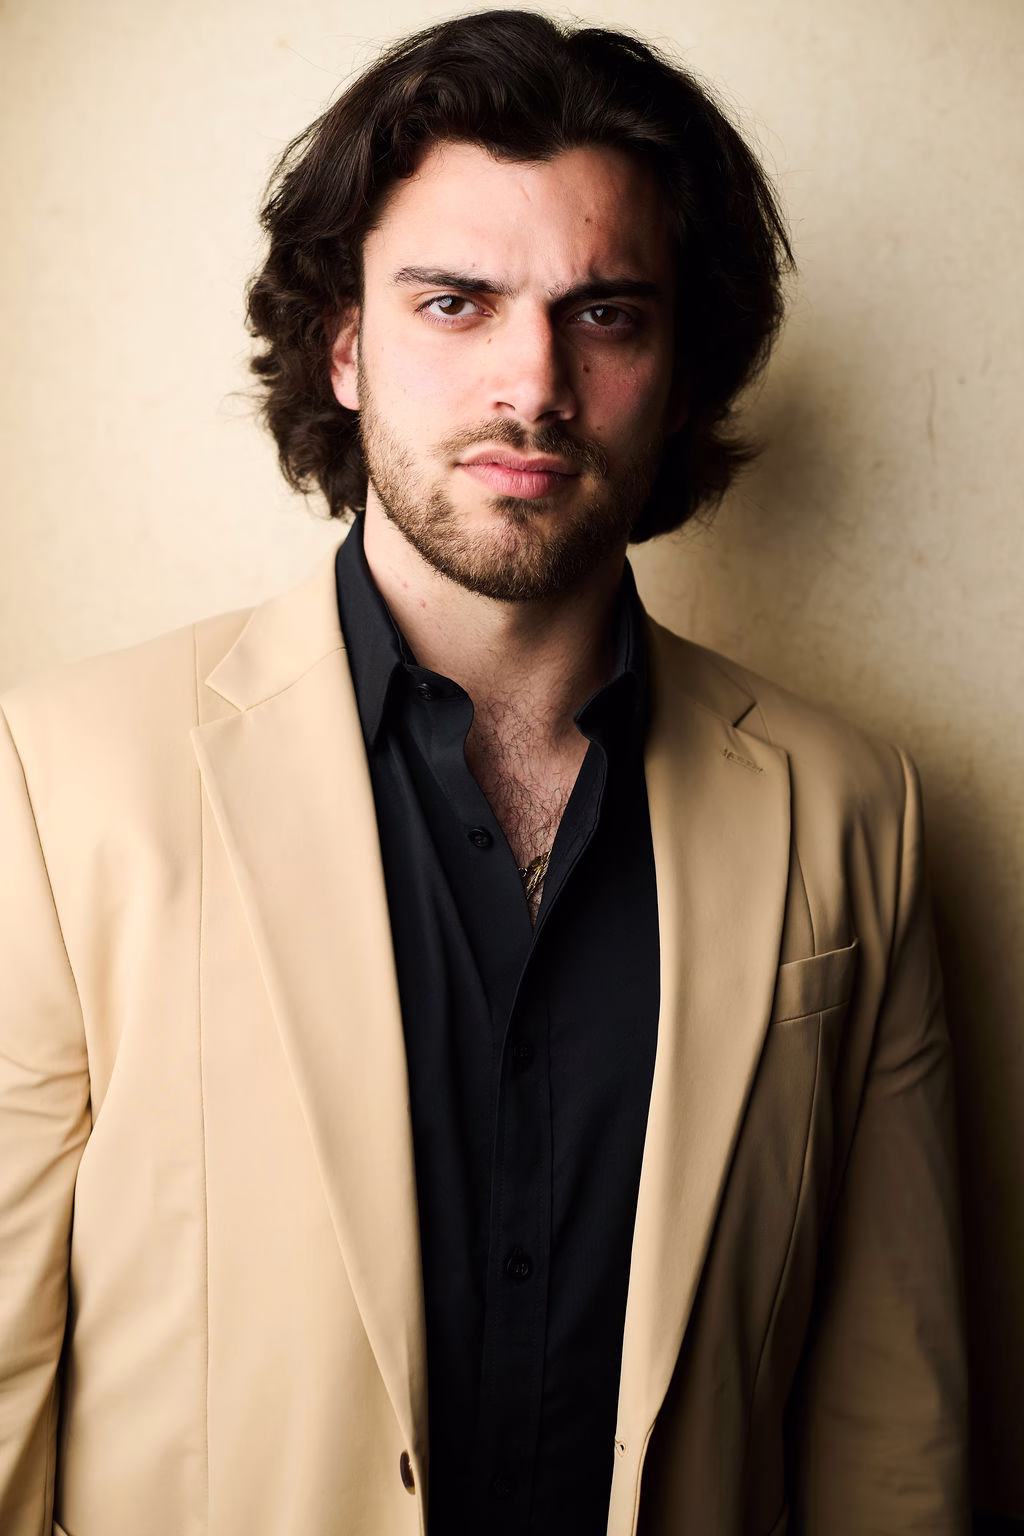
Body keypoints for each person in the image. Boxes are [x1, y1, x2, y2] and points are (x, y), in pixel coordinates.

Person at [0, 11, 969, 1536]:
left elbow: (891, 1440)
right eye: (455, 303)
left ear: (679, 368)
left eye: (606, 314)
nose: (535, 383)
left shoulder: (855, 811)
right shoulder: (63, 780)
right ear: (344, 345)